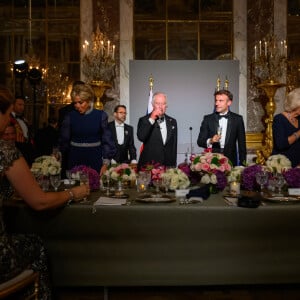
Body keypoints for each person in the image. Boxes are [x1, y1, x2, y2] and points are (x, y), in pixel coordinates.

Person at [0, 85, 89, 299]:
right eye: (8, 115)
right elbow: (39, 202)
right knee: (38, 246)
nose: (10, 121)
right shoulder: (4, 150)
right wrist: (73, 194)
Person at [59, 83, 116, 176]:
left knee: (94, 188)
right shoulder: (69, 117)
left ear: (89, 101)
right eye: (75, 103)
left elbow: (107, 140)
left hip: (94, 159)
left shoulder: (101, 115)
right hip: (75, 159)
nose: (77, 105)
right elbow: (63, 141)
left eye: (80, 102)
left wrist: (105, 163)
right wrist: (58, 155)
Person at [197, 89, 246, 166]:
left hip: (231, 162)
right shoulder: (208, 119)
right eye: (216, 100)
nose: (217, 103)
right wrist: (211, 140)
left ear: (229, 102)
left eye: (221, 101)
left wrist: (243, 165)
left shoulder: (238, 119)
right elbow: (200, 141)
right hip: (212, 163)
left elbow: (242, 145)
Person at [137, 92, 178, 169]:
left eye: (163, 103)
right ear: (152, 105)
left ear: (166, 106)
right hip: (149, 165)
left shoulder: (173, 121)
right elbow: (141, 137)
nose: (160, 106)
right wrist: (152, 118)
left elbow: (173, 145)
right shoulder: (144, 120)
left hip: (167, 166)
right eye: (158, 103)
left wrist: (173, 165)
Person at [272, 88, 300, 167]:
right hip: (283, 166)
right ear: (296, 105)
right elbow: (281, 144)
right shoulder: (279, 119)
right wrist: (298, 133)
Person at [10, 96, 35, 166]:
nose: (22, 107)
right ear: (13, 105)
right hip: (16, 148)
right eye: (19, 104)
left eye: (23, 105)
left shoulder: (24, 119)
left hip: (27, 149)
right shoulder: (9, 118)